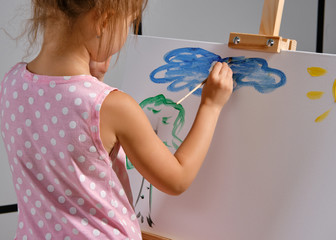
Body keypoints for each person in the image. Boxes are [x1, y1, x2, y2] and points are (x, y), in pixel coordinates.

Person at [0, 0, 233, 239]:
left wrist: (91, 79)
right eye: (130, 22)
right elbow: (177, 179)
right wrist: (211, 105)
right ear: (103, 21)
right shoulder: (112, 107)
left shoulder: (11, 84)